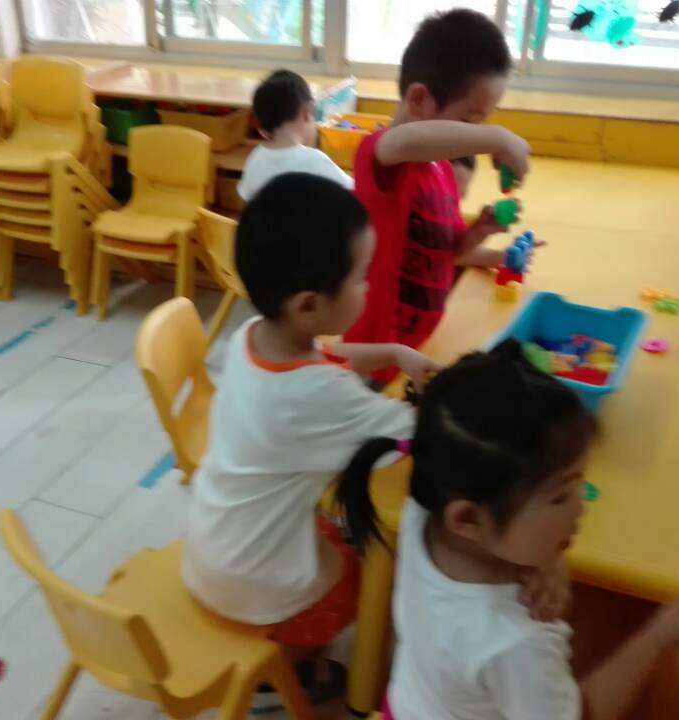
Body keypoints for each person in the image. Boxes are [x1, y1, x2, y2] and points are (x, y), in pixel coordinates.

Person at [335, 344, 679, 720]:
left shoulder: (425, 507)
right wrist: (660, 636)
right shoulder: (513, 642)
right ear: (469, 520)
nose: (581, 506)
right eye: (561, 495)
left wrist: (548, 559)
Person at [183, 173, 438, 709]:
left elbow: (330, 356)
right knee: (367, 573)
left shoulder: (253, 337)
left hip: (212, 544)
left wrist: (394, 354)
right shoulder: (316, 394)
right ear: (307, 306)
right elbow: (418, 432)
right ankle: (284, 672)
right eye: (361, 277)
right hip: (249, 583)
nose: (368, 287)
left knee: (334, 527)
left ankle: (285, 646)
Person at [343, 9, 532, 382]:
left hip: (420, 348)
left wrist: (477, 233)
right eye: (470, 120)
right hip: (376, 361)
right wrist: (497, 138)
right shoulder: (381, 154)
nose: (475, 134)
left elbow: (447, 253)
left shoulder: (442, 170)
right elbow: (406, 141)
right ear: (418, 101)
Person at [238, 69, 353, 202]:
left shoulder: (256, 157)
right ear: (308, 111)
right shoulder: (314, 160)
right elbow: (356, 190)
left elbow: (246, 198)